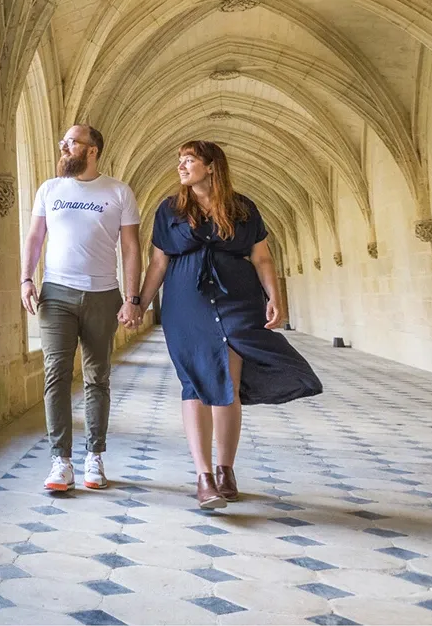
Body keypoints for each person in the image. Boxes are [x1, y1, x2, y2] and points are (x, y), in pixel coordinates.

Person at [134, 140, 323, 508]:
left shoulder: (242, 208)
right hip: (186, 305)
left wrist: (275, 297)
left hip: (238, 301)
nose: (182, 166)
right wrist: (139, 303)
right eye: (180, 161)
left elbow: (262, 258)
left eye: (189, 160)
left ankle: (226, 469)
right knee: (194, 382)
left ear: (211, 166)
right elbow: (158, 262)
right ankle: (204, 476)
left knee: (228, 384)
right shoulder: (170, 209)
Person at [21, 125, 144, 492]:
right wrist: (26, 279)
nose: (64, 147)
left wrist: (132, 298)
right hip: (56, 293)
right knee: (55, 374)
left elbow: (132, 249)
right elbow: (34, 237)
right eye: (64, 141)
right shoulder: (50, 189)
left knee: (97, 377)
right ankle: (60, 460)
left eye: (71, 142)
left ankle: (95, 456)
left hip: (103, 294)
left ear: (92, 151)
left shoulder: (119, 192)